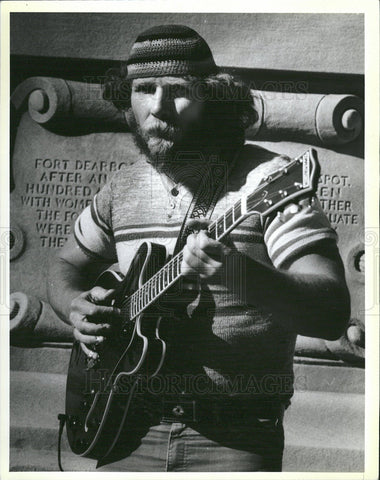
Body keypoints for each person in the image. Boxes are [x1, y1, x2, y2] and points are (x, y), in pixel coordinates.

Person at [47, 24, 351, 472]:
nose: (158, 107)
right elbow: (63, 265)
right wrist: (74, 305)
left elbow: (330, 313)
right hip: (123, 430)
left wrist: (238, 273)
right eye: (144, 89)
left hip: (234, 439)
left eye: (178, 90)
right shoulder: (123, 186)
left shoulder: (268, 180)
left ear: (215, 97)